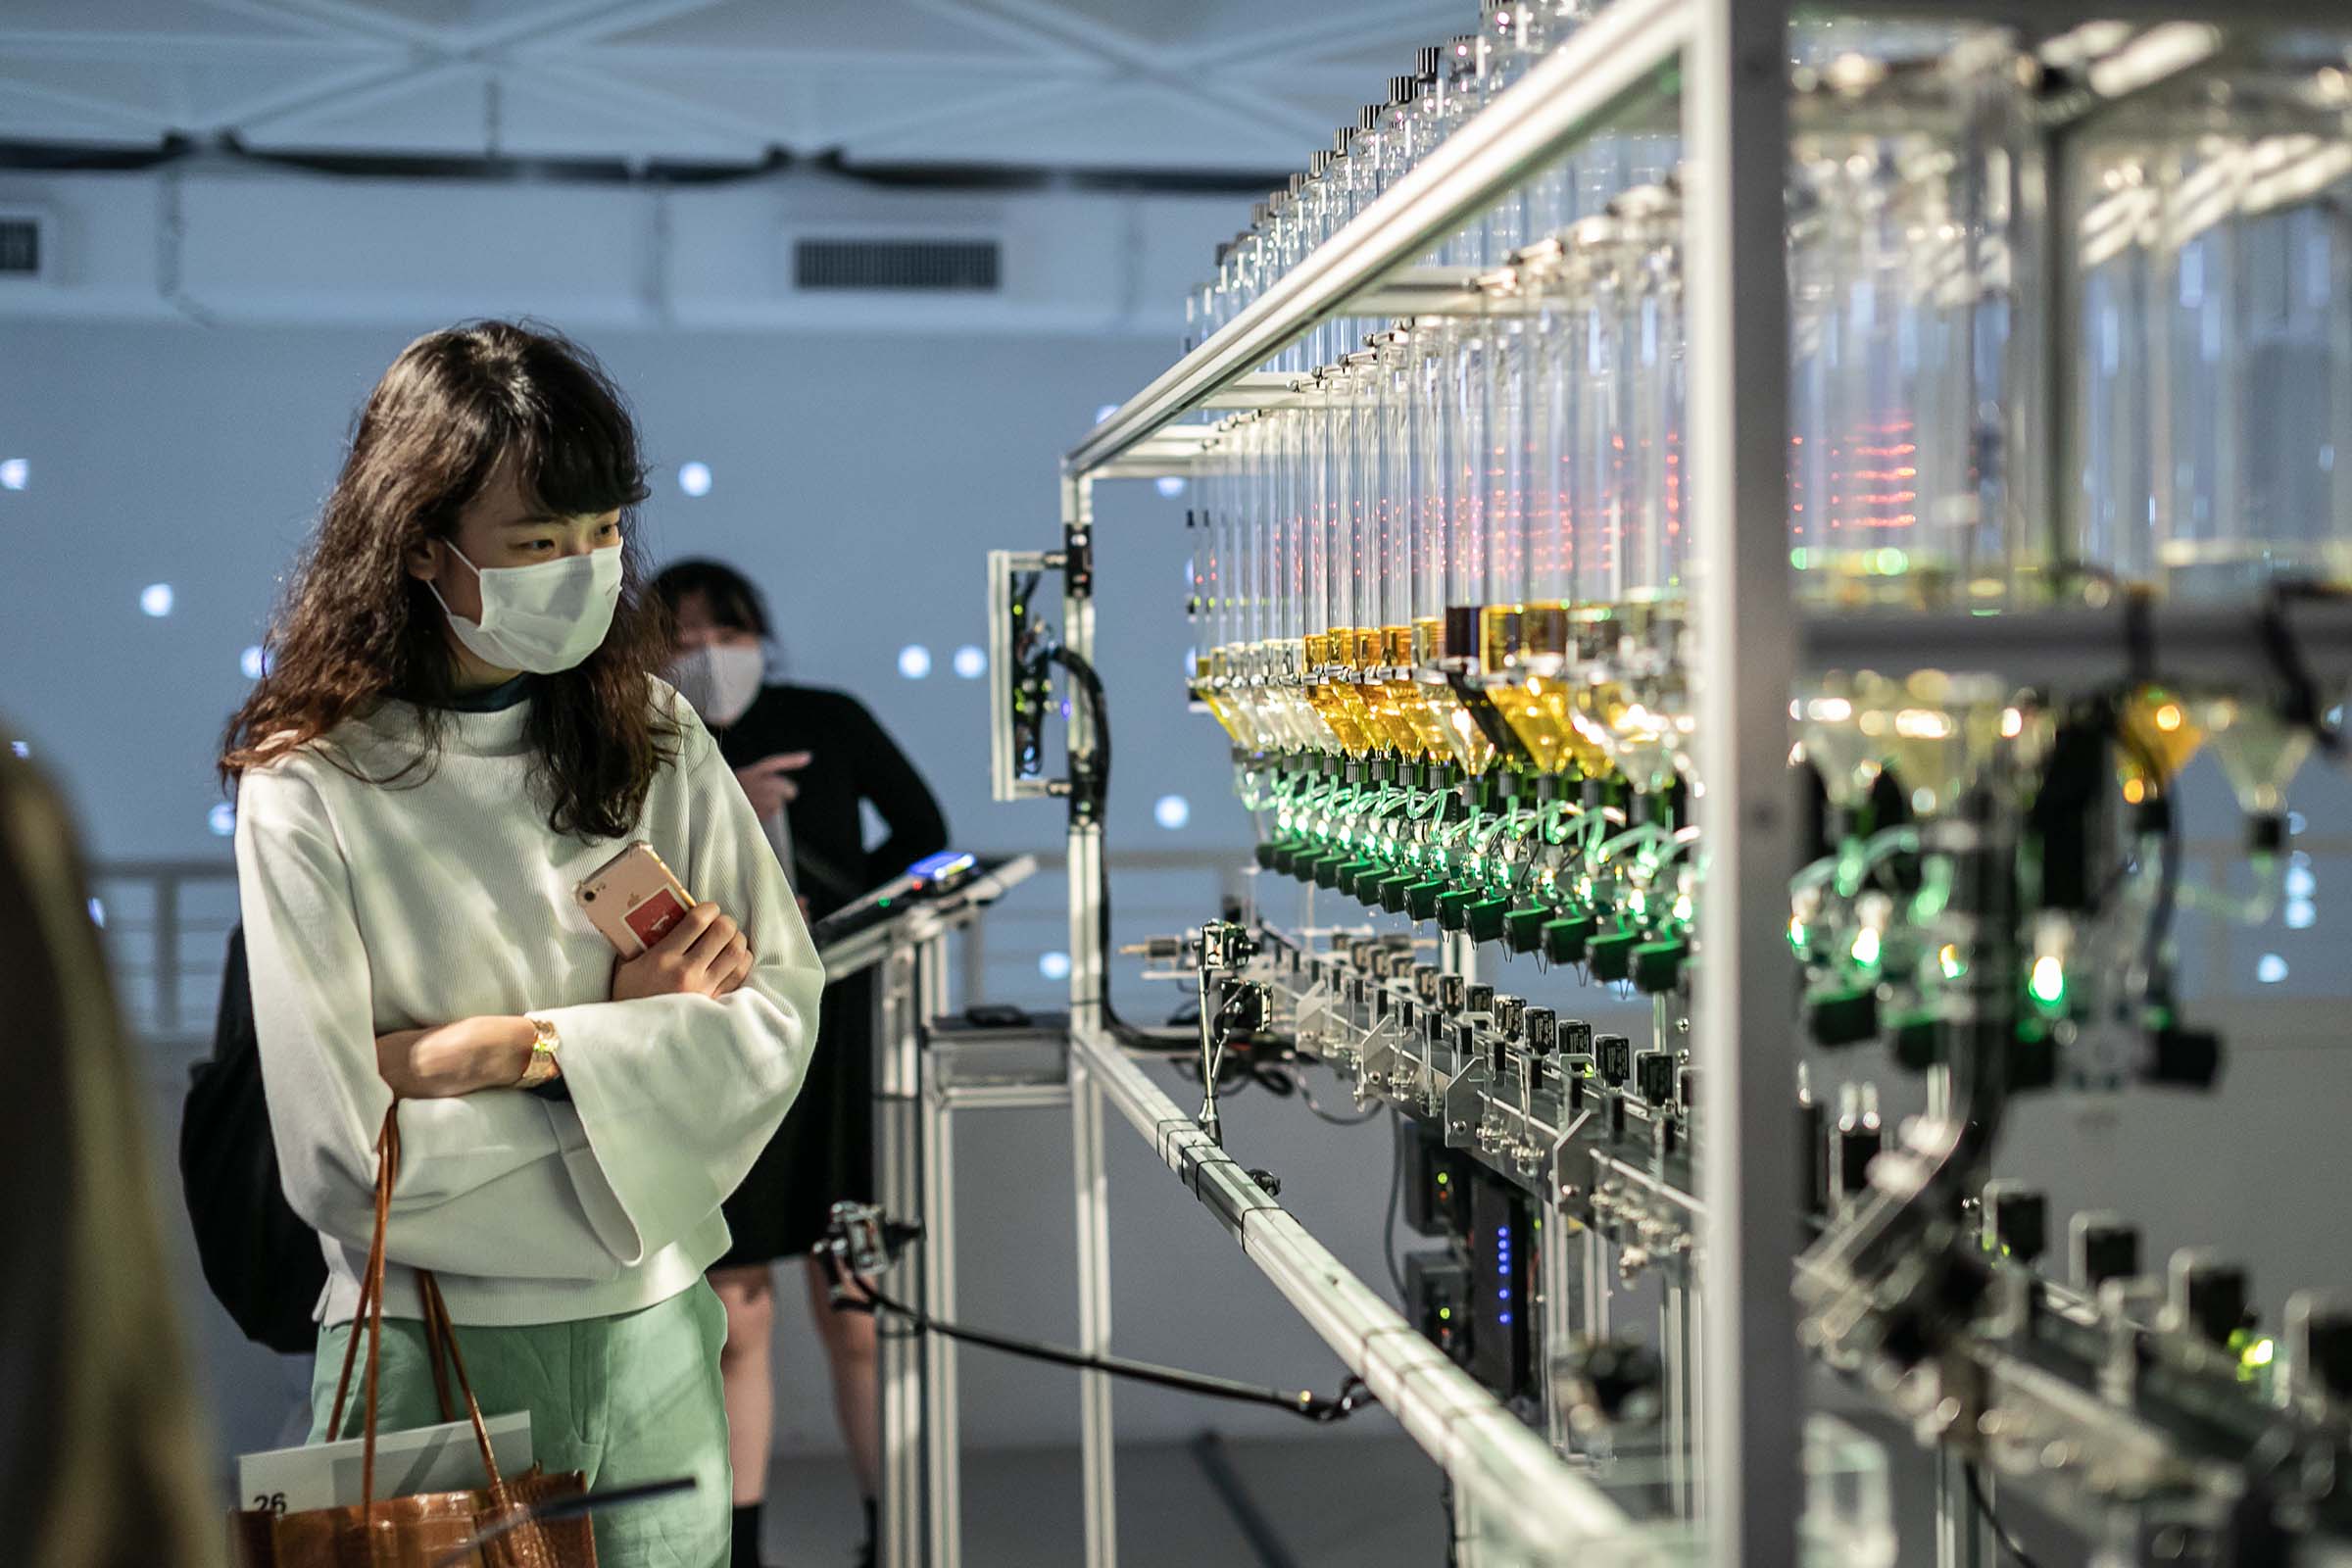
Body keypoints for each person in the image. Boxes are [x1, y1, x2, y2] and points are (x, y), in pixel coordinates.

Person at [220, 321, 826, 1568]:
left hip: (657, 1334)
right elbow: (347, 1162)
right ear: (422, 546)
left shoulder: (648, 729)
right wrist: (637, 1067)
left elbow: (772, 1025)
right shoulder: (311, 779)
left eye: (604, 534)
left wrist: (505, 1051)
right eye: (540, 542)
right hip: (425, 1346)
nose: (587, 568)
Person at [652, 560, 949, 1568]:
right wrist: (723, 806)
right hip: (719, 1045)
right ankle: (741, 1548)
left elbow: (926, 837)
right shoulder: (643, 734)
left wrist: (847, 911)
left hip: (839, 1031)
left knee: (857, 1309)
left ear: (756, 633)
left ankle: (891, 1532)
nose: (704, 653)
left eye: (722, 630)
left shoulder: (828, 716)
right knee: (737, 1317)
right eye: (680, 634)